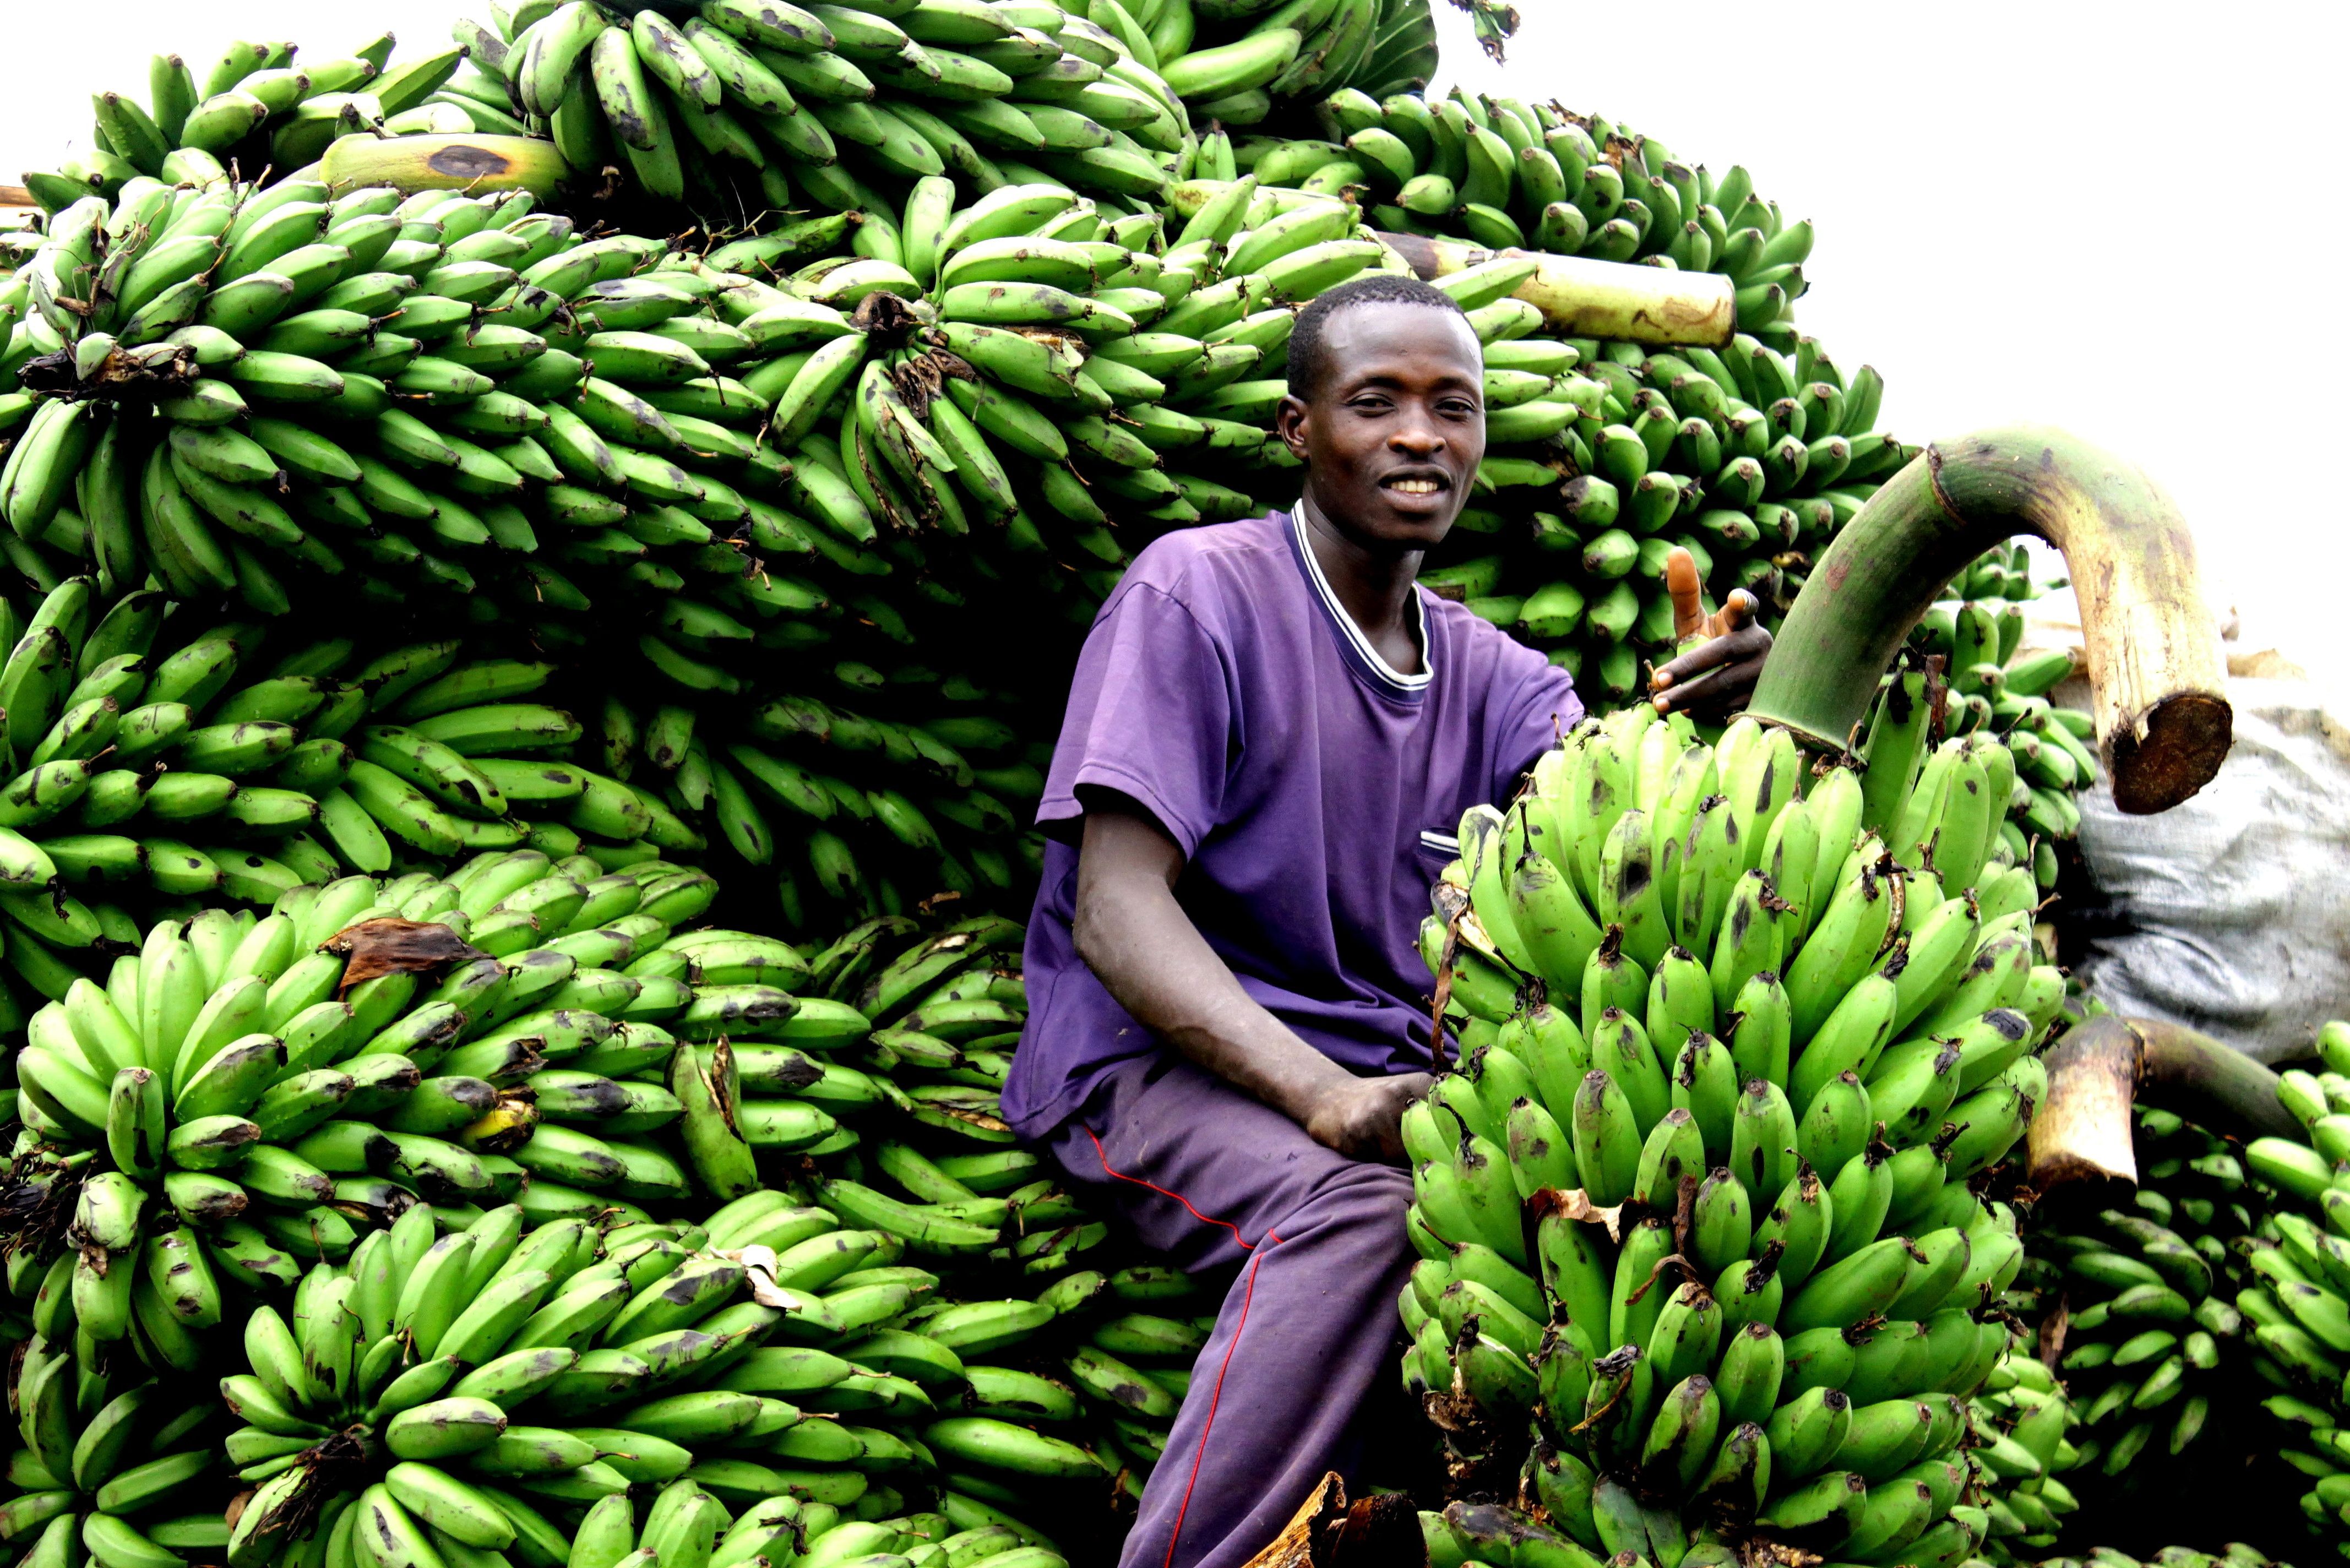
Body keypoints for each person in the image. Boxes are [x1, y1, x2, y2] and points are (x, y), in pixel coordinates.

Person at [1002, 274, 1772, 1568]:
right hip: (1152, 1063)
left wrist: (1749, 710)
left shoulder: (1500, 680)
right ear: (1301, 428)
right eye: (1377, 402)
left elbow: (1623, 829)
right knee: (1369, 1213)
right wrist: (1321, 1098)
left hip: (1382, 1080)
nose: (1421, 434)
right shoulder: (1198, 595)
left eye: (1452, 406)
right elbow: (1115, 907)